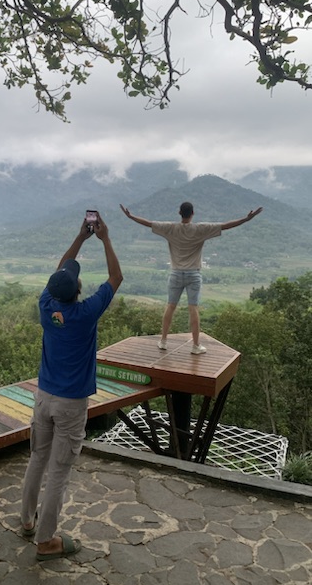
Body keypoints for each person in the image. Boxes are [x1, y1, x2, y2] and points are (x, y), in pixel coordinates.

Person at [20, 212, 123, 561]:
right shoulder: (86, 313)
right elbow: (116, 278)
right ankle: (46, 541)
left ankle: (27, 521)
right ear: (78, 289)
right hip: (70, 405)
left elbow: (60, 271)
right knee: (59, 473)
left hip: (43, 397)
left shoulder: (45, 306)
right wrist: (104, 238)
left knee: (38, 458)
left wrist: (80, 237)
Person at [119, 201, 263, 354]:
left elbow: (148, 223)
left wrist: (131, 216)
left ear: (179, 213)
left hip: (176, 273)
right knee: (193, 308)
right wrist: (246, 219)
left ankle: (163, 341)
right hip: (193, 274)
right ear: (193, 213)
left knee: (170, 306)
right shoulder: (200, 229)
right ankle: (195, 346)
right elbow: (225, 225)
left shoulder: (170, 228)